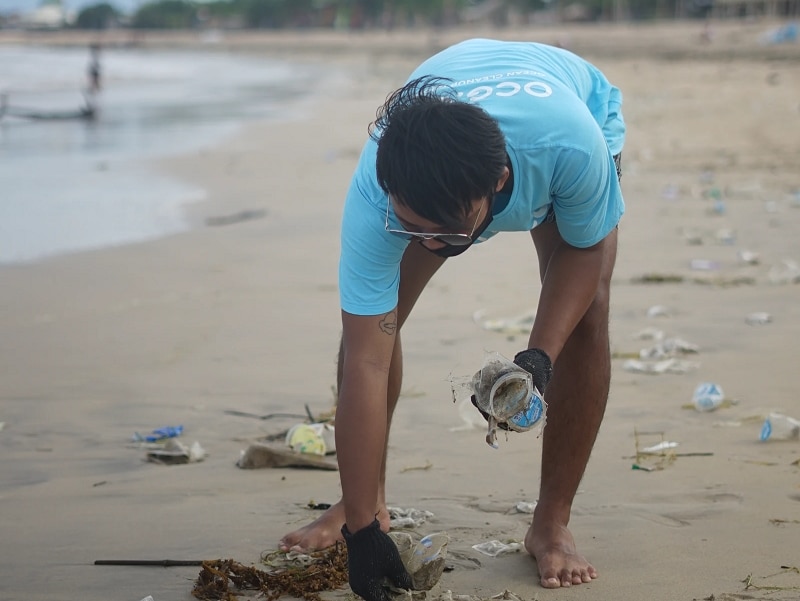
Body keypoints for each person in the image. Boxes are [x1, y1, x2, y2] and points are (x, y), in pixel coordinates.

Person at [279, 38, 625, 595]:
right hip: (447, 149)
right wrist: (363, 534)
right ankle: (360, 502)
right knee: (370, 331)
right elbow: (367, 359)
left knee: (588, 315)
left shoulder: (570, 146)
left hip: (563, 111)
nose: (426, 242)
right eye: (410, 225)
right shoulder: (377, 192)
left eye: (442, 231)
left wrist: (537, 359)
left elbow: (583, 252)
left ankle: (551, 523)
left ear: (496, 189)